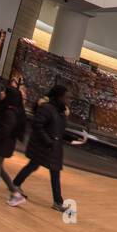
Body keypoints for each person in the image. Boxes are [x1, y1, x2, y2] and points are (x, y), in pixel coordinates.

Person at [10, 84, 83, 212]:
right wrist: (48, 141)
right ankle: (56, 201)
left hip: (51, 147)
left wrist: (72, 138)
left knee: (45, 170)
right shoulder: (47, 109)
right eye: (66, 97)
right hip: (44, 146)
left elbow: (58, 130)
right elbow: (38, 125)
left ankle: (16, 184)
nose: (68, 100)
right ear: (59, 97)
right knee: (36, 166)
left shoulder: (60, 112)